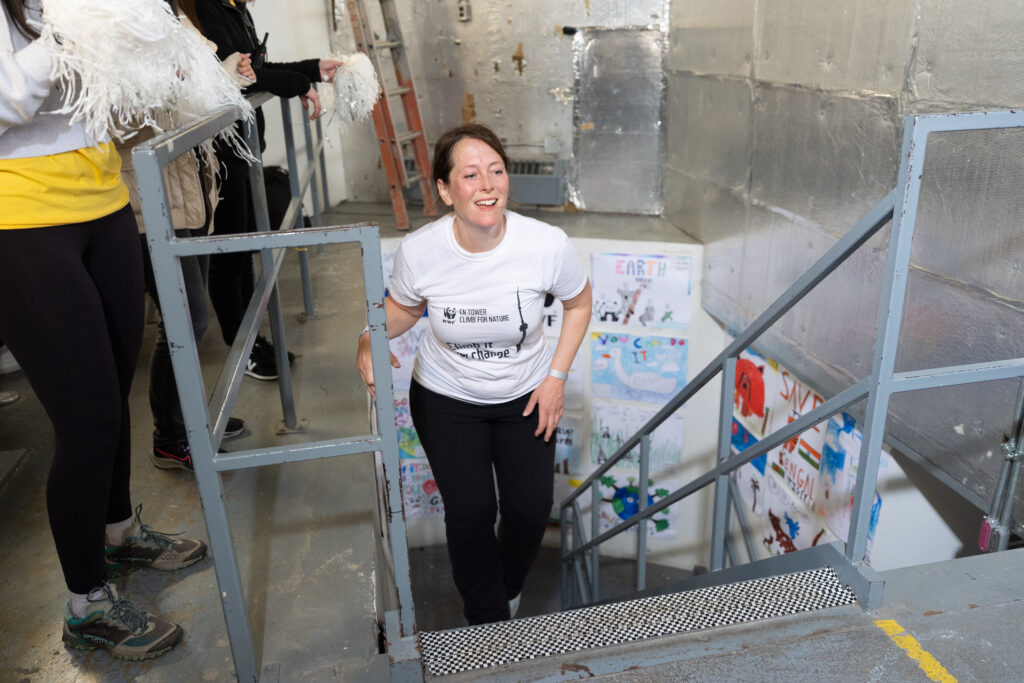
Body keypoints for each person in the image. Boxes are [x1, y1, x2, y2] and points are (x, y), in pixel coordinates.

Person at [0, 0, 207, 660]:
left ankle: (118, 532)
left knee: (113, 392)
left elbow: (106, 102)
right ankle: (85, 603)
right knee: (86, 418)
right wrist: (74, 32)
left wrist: (151, 58)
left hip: (105, 199)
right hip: (22, 220)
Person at [356, 123, 593, 625]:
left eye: (496, 171)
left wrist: (555, 377)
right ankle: (486, 621)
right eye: (470, 175)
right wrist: (367, 335)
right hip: (446, 398)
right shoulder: (421, 250)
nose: (487, 185)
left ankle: (505, 591)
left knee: (529, 512)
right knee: (471, 514)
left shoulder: (545, 244)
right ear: (445, 190)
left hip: (527, 395)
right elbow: (404, 308)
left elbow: (579, 303)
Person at [118, 0, 254, 471]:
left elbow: (194, 88)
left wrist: (225, 77)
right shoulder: (113, 21)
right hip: (151, 199)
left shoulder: (173, 14)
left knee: (188, 322)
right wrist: (172, 85)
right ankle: (172, 436)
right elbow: (112, 120)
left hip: (191, 189)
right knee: (187, 320)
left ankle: (188, 423)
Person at [195, 0, 341, 380]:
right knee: (231, 252)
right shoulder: (205, 7)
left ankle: (249, 339)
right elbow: (241, 77)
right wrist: (299, 84)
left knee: (243, 247)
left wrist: (312, 70)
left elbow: (257, 69)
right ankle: (240, 347)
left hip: (243, 146)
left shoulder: (234, 7)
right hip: (221, 150)